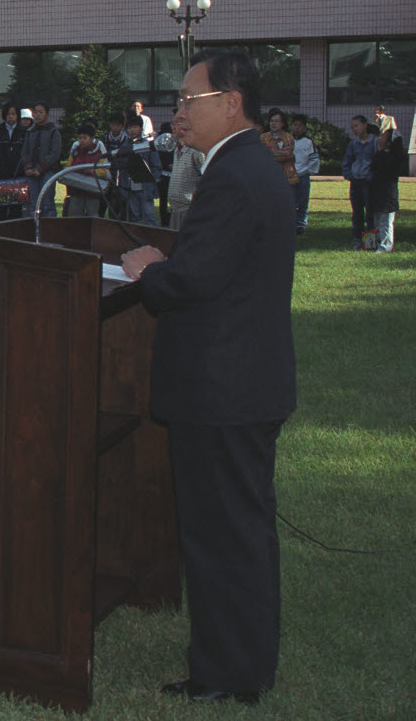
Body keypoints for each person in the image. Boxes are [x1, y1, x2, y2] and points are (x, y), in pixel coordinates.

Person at [121, 49, 295, 706]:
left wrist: (148, 269)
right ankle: (239, 665)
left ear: (231, 103)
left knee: (225, 540)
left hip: (224, 390)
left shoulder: (235, 174)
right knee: (237, 534)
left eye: (189, 100)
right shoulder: (248, 166)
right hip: (241, 383)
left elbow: (193, 281)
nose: (178, 111)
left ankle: (227, 676)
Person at [21, 102, 63, 219]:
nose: (38, 115)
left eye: (41, 112)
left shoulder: (53, 132)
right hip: (32, 173)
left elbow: (55, 153)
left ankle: (49, 231)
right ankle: (34, 230)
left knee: (47, 203)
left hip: (47, 172)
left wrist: (40, 168)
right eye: (35, 112)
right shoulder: (30, 132)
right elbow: (25, 151)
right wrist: (28, 167)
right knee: (33, 204)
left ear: (47, 114)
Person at [340, 115, 376, 250]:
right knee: (357, 213)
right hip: (356, 182)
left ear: (365, 125)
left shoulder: (374, 142)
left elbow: (377, 162)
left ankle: (371, 242)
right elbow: (347, 161)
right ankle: (357, 240)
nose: (354, 129)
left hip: (369, 183)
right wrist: (349, 175)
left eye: (357, 126)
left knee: (371, 213)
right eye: (352, 127)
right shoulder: (353, 144)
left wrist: (371, 177)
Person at [369, 127, 406, 253]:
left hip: (388, 194)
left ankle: (386, 245)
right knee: (377, 220)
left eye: (384, 136)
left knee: (386, 221)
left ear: (389, 142)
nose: (380, 138)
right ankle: (377, 242)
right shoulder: (380, 154)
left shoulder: (393, 158)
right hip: (377, 192)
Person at [289, 115, 318, 235]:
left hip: (303, 175)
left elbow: (314, 159)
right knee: (290, 200)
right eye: (295, 125)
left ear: (305, 128)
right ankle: (290, 223)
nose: (297, 128)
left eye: (300, 126)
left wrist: (308, 171)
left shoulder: (308, 142)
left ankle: (301, 224)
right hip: (290, 175)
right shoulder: (287, 140)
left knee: (303, 201)